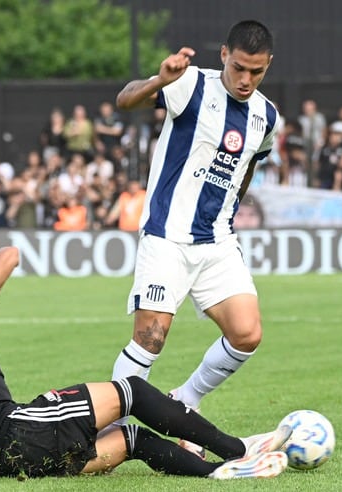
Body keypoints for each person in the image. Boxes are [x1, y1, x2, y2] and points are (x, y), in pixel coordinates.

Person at [0, 248, 291, 480]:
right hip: (18, 433)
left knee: (131, 439)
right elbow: (10, 257)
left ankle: (220, 472)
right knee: (131, 392)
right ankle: (238, 450)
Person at [109, 19, 281, 458]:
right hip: (167, 236)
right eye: (240, 67)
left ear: (267, 66)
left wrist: (226, 215)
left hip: (217, 240)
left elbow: (248, 169)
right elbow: (124, 101)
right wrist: (156, 82)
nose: (246, 80)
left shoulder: (267, 116)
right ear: (224, 54)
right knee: (150, 338)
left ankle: (186, 397)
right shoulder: (191, 85)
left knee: (247, 333)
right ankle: (114, 429)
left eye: (256, 72)